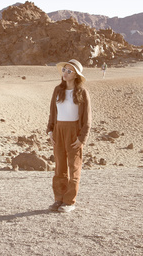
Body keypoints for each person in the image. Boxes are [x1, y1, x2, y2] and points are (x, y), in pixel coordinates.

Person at [47, 59, 92, 213]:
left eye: (69, 71)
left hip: (74, 132)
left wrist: (82, 139)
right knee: (59, 167)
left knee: (74, 167)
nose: (65, 73)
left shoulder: (82, 92)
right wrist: (50, 131)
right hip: (59, 130)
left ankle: (69, 201)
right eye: (64, 70)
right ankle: (58, 199)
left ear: (76, 75)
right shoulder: (57, 90)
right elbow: (53, 112)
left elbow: (87, 118)